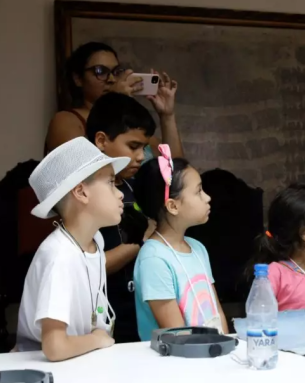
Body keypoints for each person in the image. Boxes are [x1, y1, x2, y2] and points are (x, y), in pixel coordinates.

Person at [16, 137, 129, 360]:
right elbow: (54, 347)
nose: (120, 194)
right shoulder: (60, 256)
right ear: (81, 193)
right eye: (110, 183)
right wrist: (97, 338)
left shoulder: (95, 240)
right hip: (41, 366)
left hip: (77, 359)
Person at [86, 91, 168, 343]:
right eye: (133, 147)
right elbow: (87, 268)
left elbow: (174, 171)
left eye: (143, 147)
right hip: (103, 321)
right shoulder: (84, 194)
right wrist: (142, 241)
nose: (142, 156)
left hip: (138, 315)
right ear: (101, 140)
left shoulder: (134, 186)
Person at [132, 145, 227, 340]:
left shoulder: (197, 248)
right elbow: (177, 336)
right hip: (180, 364)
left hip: (211, 355)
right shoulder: (154, 259)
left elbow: (217, 311)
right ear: (173, 206)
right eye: (198, 191)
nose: (208, 198)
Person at [45, 41, 183, 159]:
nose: (111, 79)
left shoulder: (130, 123)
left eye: (116, 71)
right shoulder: (65, 120)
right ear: (78, 79)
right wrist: (113, 101)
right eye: (100, 71)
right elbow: (81, 169)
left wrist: (167, 116)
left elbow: (176, 171)